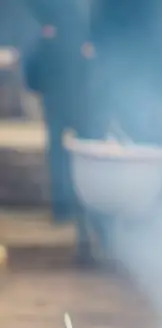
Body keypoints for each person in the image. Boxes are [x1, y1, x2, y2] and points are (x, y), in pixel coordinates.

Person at [21, 0, 90, 221]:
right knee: (81, 150)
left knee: (58, 154)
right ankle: (82, 205)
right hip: (80, 99)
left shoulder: (47, 34)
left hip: (56, 99)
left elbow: (32, 70)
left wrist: (39, 87)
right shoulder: (84, 36)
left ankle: (62, 207)